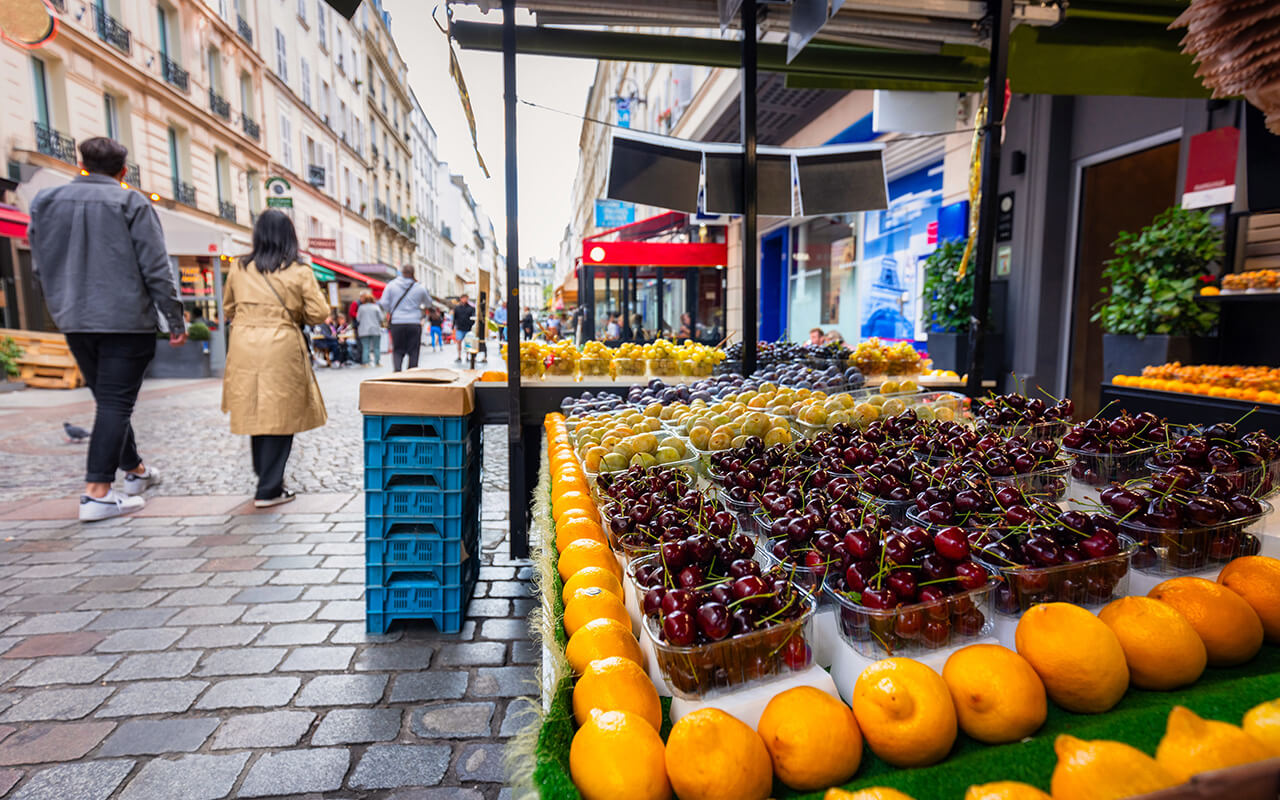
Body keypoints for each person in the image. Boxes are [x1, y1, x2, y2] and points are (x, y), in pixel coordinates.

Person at [28, 137, 186, 522]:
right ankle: (96, 494)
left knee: (109, 401)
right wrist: (175, 320)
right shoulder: (131, 202)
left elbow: (38, 266)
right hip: (125, 321)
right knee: (115, 402)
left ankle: (135, 472)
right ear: (123, 171)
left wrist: (62, 303)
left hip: (75, 319)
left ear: (82, 164)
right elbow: (156, 269)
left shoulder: (45, 202)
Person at [222, 209, 329, 508]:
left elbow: (228, 306)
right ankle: (269, 488)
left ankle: (266, 479)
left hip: (244, 343)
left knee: (256, 410)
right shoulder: (298, 270)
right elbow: (319, 313)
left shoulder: (239, 268)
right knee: (281, 414)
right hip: (281, 343)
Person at [380, 264, 430, 371]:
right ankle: (411, 375)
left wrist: (391, 310)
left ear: (402, 272)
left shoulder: (391, 285)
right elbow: (428, 303)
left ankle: (397, 373)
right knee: (413, 351)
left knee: (398, 350)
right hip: (414, 322)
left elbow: (383, 303)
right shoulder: (420, 287)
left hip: (397, 322)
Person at [356, 293, 384, 367]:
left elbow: (358, 319)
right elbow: (381, 318)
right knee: (376, 347)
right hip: (375, 329)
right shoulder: (376, 307)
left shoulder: (361, 308)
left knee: (366, 347)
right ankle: (377, 362)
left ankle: (365, 362)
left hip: (364, 330)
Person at [452, 293, 475, 362]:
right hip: (459, 327)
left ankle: (467, 356)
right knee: (459, 341)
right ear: (461, 299)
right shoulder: (457, 308)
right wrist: (454, 326)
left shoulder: (471, 308)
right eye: (463, 298)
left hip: (468, 328)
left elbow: (473, 318)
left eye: (466, 298)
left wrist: (471, 325)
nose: (464, 299)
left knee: (468, 343)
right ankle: (459, 356)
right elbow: (455, 317)